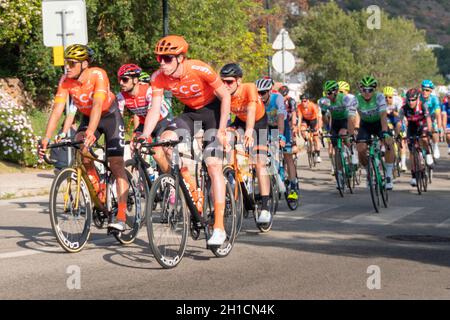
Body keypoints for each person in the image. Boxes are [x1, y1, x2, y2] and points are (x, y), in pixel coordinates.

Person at [139, 35, 231, 246]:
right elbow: (154, 109)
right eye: (159, 58)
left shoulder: (199, 68)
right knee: (165, 141)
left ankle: (219, 226)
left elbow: (225, 96)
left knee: (213, 166)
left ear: (181, 58)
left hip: (213, 113)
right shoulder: (158, 77)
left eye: (167, 58)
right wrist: (145, 135)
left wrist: (223, 129)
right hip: (190, 114)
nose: (162, 62)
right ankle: (190, 187)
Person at [39, 44, 129, 231]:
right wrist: (46, 138)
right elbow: (57, 111)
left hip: (109, 116)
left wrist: (91, 133)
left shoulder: (98, 74)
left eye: (72, 63)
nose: (68, 67)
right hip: (89, 117)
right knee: (82, 149)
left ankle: (121, 214)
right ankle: (99, 190)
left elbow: (97, 105)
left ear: (84, 64)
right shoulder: (65, 81)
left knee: (116, 163)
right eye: (66, 63)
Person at [220, 63, 271, 223]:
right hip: (240, 122)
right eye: (223, 81)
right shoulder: (223, 93)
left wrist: (249, 131)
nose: (225, 85)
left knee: (259, 163)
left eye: (229, 82)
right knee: (227, 137)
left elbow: (251, 110)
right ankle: (232, 174)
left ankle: (265, 206)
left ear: (238, 81)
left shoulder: (249, 88)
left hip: (258, 123)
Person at [116, 63, 172, 167]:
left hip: (161, 121)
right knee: (134, 147)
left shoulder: (148, 91)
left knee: (157, 154)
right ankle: (144, 177)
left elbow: (153, 112)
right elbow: (117, 118)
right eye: (119, 79)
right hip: (144, 122)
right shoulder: (121, 96)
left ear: (135, 80)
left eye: (125, 79)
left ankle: (170, 179)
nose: (121, 83)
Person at [347, 76, 395, 190]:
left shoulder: (379, 97)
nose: (367, 93)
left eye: (370, 90)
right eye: (364, 90)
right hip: (366, 125)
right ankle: (369, 171)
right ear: (361, 89)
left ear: (374, 90)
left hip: (379, 123)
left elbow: (383, 115)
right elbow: (351, 118)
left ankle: (388, 174)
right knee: (360, 148)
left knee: (389, 142)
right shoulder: (355, 99)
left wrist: (384, 132)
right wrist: (350, 134)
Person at [398, 88, 433, 186]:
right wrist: (399, 134)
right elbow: (399, 122)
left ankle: (428, 154)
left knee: (424, 138)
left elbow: (429, 119)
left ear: (417, 99)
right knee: (412, 152)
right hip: (412, 127)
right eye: (409, 100)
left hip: (423, 125)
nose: (411, 102)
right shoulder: (403, 108)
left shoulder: (423, 105)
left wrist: (429, 131)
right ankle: (414, 176)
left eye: (413, 100)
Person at [383, 86, 408, 172]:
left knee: (401, 136)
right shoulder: (382, 102)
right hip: (388, 118)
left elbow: (401, 115)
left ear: (393, 97)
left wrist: (393, 112)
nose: (387, 99)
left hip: (397, 117)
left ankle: (403, 163)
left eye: (390, 97)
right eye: (385, 97)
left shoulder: (398, 100)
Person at [295, 93, 322, 163]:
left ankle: (318, 155)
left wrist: (319, 128)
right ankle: (306, 141)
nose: (303, 103)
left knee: (316, 137)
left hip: (313, 120)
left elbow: (318, 117)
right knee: (302, 130)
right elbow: (300, 118)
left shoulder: (312, 105)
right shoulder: (299, 107)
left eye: (305, 101)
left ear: (308, 101)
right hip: (305, 120)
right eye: (302, 101)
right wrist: (298, 128)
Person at [420, 80, 442, 160]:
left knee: (434, 130)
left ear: (431, 91)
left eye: (427, 90)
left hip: (432, 116)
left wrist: (439, 129)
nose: (424, 92)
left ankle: (435, 146)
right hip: (422, 117)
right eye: (423, 89)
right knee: (422, 136)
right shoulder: (419, 98)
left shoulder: (434, 99)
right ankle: (424, 152)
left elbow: (438, 115)